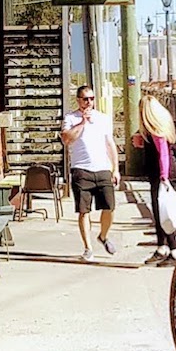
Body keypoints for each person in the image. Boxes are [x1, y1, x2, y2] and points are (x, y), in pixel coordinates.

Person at [60, 84, 119, 262]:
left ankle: (103, 235)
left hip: (102, 168)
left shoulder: (103, 119)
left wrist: (115, 169)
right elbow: (66, 139)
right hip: (81, 169)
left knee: (109, 207)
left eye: (92, 99)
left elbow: (110, 144)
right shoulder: (70, 118)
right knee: (84, 211)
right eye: (85, 99)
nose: (89, 102)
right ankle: (88, 248)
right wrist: (83, 122)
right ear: (78, 100)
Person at [132, 94, 176, 261]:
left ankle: (170, 249)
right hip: (164, 174)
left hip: (162, 175)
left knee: (162, 212)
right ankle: (164, 246)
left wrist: (163, 176)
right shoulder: (159, 127)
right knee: (162, 212)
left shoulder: (156, 131)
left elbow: (163, 155)